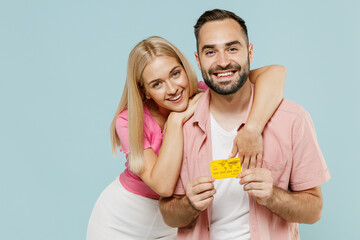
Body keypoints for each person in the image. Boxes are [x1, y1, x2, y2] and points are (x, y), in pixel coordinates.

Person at [86, 35, 286, 239]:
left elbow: (275, 73)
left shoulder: (204, 91)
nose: (172, 89)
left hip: (176, 215)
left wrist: (252, 128)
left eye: (175, 73)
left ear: (186, 67)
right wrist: (175, 121)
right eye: (157, 84)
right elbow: (163, 185)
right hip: (123, 217)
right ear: (144, 91)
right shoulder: (129, 120)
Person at [159, 9, 331, 240]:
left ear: (249, 52)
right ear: (198, 60)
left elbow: (314, 211)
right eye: (210, 51)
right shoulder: (182, 125)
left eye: (232, 48)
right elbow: (169, 215)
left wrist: (272, 196)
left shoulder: (293, 120)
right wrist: (189, 204)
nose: (222, 62)